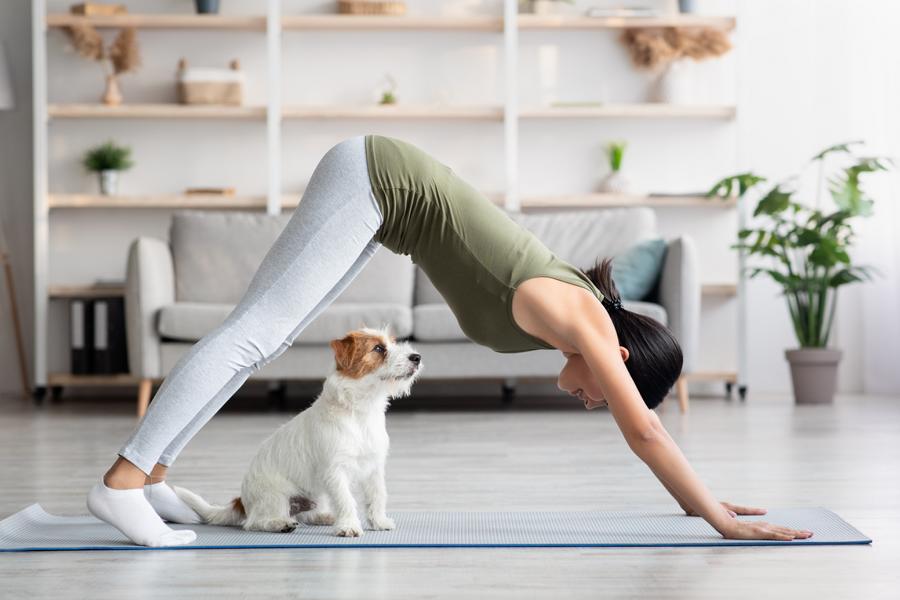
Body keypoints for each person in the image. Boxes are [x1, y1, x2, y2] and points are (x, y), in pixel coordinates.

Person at [86, 134, 813, 546]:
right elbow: (647, 430)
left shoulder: (578, 318)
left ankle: (151, 481)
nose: (595, 403)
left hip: (381, 204)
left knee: (264, 340)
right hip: (374, 180)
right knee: (255, 335)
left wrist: (700, 505)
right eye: (605, 393)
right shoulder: (588, 323)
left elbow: (643, 424)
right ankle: (122, 482)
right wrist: (716, 517)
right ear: (618, 360)